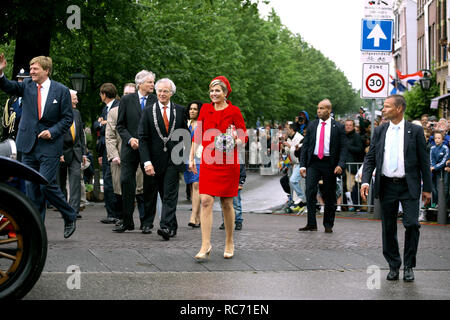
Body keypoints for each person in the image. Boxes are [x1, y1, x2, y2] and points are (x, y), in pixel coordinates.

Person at [0, 53, 76, 238]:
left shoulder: (61, 90)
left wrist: (53, 131)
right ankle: (36, 230)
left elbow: (67, 118)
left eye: (35, 69)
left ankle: (69, 214)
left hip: (49, 145)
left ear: (46, 70)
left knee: (45, 185)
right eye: (31, 68)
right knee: (32, 189)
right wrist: (1, 73)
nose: (31, 71)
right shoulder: (26, 85)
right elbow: (8, 86)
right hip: (27, 145)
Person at [360, 94, 432, 282]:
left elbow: (424, 161)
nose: (383, 109)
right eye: (383, 106)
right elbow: (370, 158)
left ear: (399, 109)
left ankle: (409, 265)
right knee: (388, 227)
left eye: (387, 106)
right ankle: (393, 265)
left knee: (412, 224)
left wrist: (428, 188)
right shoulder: (381, 130)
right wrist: (366, 181)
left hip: (409, 186)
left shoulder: (415, 131)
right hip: (387, 185)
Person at [189, 76, 247, 260]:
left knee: (227, 203)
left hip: (228, 162)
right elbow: (198, 134)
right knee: (205, 200)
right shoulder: (205, 109)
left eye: (217, 91)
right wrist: (190, 158)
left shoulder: (234, 111)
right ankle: (205, 244)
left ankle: (229, 241)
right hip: (208, 161)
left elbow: (243, 135)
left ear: (225, 92)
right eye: (212, 90)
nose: (214, 94)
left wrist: (233, 141)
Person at [139, 78, 188, 240]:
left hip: (174, 160)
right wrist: (146, 162)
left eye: (165, 91)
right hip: (154, 161)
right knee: (162, 192)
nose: (161, 94)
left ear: (171, 93)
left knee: (170, 194)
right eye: (159, 90)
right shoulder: (148, 111)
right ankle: (172, 226)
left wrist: (184, 158)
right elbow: (143, 138)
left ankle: (165, 227)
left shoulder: (180, 111)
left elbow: (185, 136)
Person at [115, 70, 158, 234]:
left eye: (153, 82)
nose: (152, 85)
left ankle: (147, 222)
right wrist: (130, 139)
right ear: (140, 83)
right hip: (129, 148)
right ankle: (127, 221)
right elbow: (120, 125)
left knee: (149, 184)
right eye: (150, 82)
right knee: (126, 181)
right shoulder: (126, 100)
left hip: (149, 149)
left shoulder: (155, 101)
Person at [299, 99, 347, 233]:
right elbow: (306, 146)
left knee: (329, 193)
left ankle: (328, 224)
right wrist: (303, 165)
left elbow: (344, 148)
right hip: (314, 162)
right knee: (310, 190)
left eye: (322, 108)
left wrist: (340, 164)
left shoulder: (338, 127)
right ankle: (311, 223)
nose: (319, 111)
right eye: (318, 108)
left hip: (329, 163)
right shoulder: (312, 125)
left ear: (329, 110)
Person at [94, 83, 121, 224]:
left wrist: (103, 123)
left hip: (115, 148)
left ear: (104, 94)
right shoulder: (106, 108)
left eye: (100, 94)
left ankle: (116, 213)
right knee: (107, 180)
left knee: (112, 181)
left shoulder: (117, 106)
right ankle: (111, 212)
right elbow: (96, 125)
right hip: (105, 149)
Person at [58, 89, 87, 219]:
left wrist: (84, 153)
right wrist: (58, 152)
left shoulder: (77, 113)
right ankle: (63, 208)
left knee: (75, 181)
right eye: (75, 98)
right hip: (61, 153)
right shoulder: (57, 114)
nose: (77, 101)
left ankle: (73, 211)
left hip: (76, 152)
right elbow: (56, 135)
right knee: (60, 183)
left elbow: (81, 134)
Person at [184, 101, 203, 228]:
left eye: (195, 109)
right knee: (191, 186)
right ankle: (197, 217)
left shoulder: (203, 124)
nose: (192, 111)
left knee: (197, 184)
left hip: (199, 157)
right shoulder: (186, 123)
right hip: (186, 157)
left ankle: (192, 216)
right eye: (191, 109)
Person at [220, 163, 246, 230]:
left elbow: (242, 172)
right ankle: (226, 221)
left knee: (236, 204)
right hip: (224, 183)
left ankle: (238, 221)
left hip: (235, 184)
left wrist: (240, 183)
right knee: (224, 204)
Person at [430, 131, 449, 208]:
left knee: (444, 188)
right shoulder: (432, 148)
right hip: (434, 172)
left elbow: (444, 161)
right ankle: (434, 204)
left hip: (443, 171)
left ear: (443, 139)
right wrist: (433, 167)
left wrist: (435, 167)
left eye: (439, 138)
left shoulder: (445, 148)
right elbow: (431, 159)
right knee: (434, 189)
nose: (437, 140)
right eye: (435, 138)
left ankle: (443, 204)